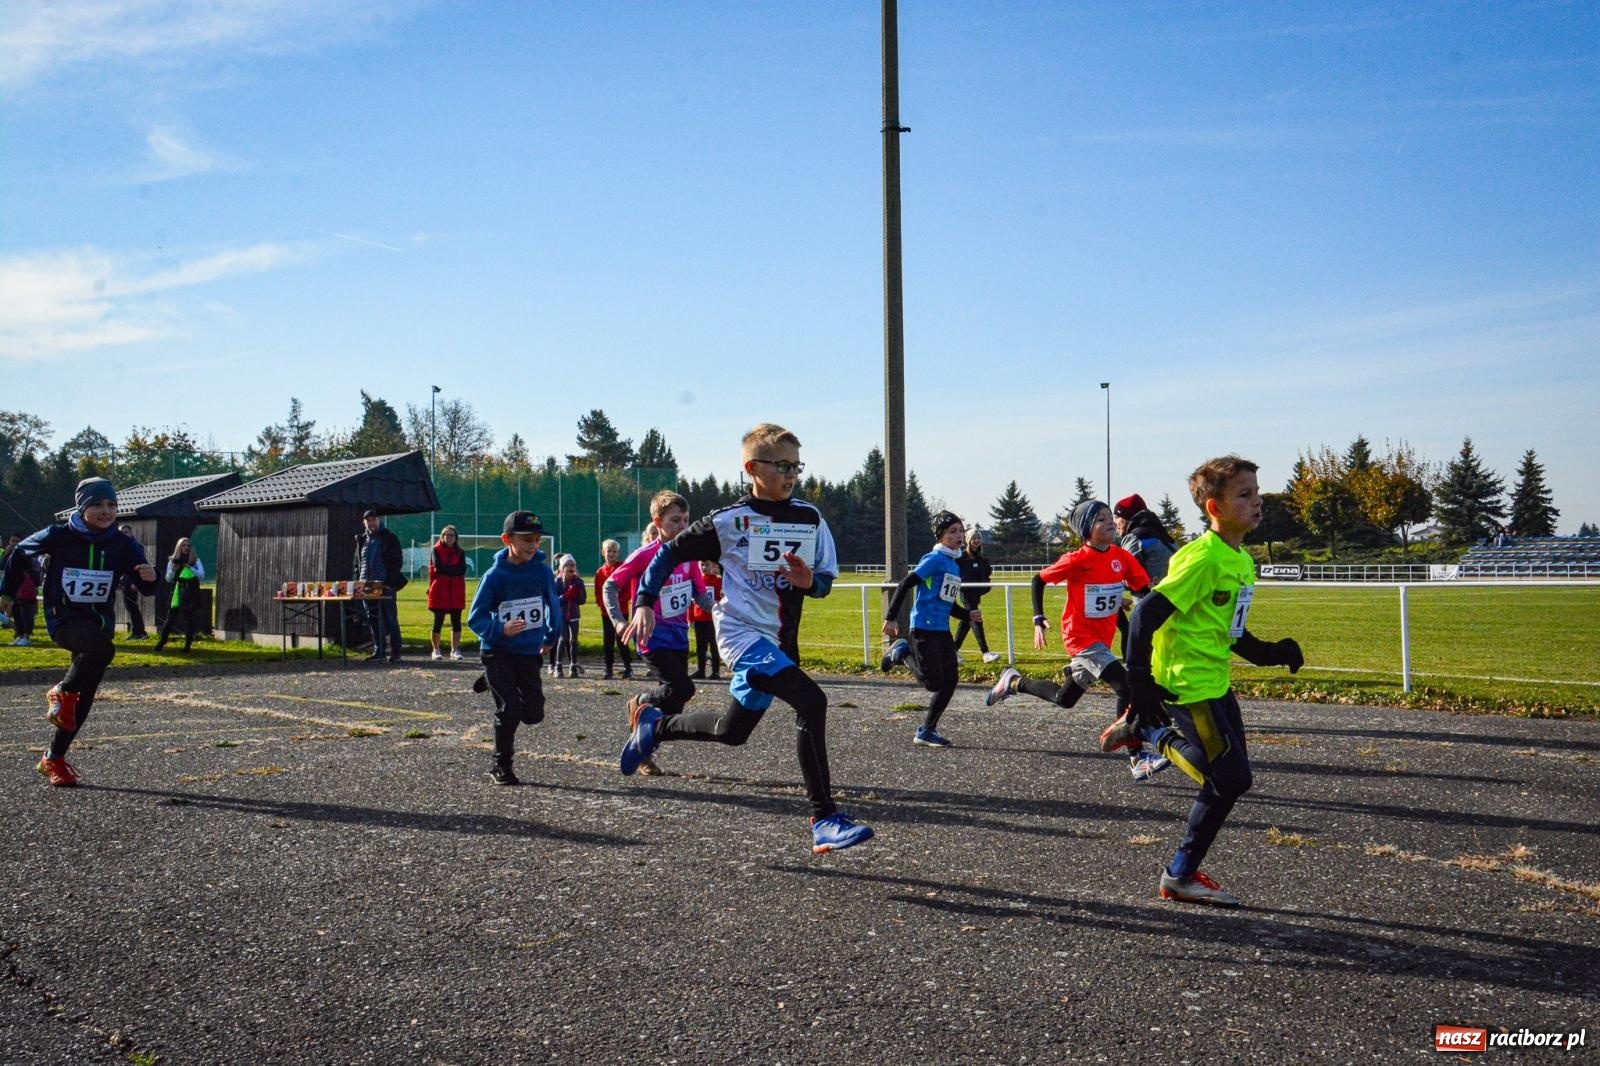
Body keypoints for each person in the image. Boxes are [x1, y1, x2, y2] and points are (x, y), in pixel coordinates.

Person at [618, 423, 873, 853]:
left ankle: (654, 726)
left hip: (779, 644)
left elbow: (825, 583)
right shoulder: (727, 522)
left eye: (796, 466)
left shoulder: (810, 518)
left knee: (731, 730)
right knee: (812, 701)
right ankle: (824, 819)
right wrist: (643, 601)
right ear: (752, 468)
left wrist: (809, 582)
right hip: (741, 637)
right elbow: (667, 553)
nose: (791, 475)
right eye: (782, 466)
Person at [1100, 456, 1305, 907]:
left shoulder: (1241, 560)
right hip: (1186, 685)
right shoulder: (1202, 558)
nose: (1258, 501)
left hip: (1216, 683)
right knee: (1230, 780)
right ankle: (1148, 731)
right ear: (1215, 507)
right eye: (1245, 494)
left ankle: (1180, 875)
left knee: (1231, 781)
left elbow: (1232, 631)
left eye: (1257, 491)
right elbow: (1144, 617)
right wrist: (1140, 686)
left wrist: (1273, 653)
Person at [984, 500, 1170, 781]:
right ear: (1086, 530)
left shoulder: (1121, 557)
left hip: (1102, 641)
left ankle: (1013, 681)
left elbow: (1143, 588)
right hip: (1081, 639)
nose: (1110, 522)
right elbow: (1038, 580)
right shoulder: (1077, 559)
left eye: (1110, 517)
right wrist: (1038, 618)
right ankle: (1137, 756)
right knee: (1126, 686)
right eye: (1101, 519)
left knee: (1065, 698)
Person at [0, 478, 157, 786]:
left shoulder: (123, 543)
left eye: (112, 505)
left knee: (81, 699)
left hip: (99, 623)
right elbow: (19, 553)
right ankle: (61, 690)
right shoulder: (58, 535)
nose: (106, 511)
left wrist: (152, 576)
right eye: (97, 505)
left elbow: (146, 586)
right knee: (100, 653)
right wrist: (7, 591)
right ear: (82, 507)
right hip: (63, 618)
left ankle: (53, 758)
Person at [601, 491, 711, 773]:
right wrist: (619, 622)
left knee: (675, 704)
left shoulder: (689, 556)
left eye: (686, 519)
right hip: (651, 637)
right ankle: (639, 703)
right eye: (675, 520)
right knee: (683, 688)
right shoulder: (645, 555)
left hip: (678, 636)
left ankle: (643, 750)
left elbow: (700, 594)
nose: (683, 526)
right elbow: (610, 586)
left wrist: (723, 608)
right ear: (658, 522)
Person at [466, 510, 563, 786]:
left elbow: (552, 604)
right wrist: (500, 629)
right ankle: (501, 765)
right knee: (509, 710)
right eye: (526, 540)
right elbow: (476, 617)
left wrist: (550, 636)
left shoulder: (541, 571)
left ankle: (491, 681)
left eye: (536, 540)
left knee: (533, 713)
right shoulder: (495, 576)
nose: (533, 546)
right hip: (497, 650)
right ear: (507, 539)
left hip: (528, 652)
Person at [880, 511, 981, 747]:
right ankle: (902, 653)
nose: (959, 535)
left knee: (951, 680)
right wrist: (891, 617)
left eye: (960, 530)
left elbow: (947, 601)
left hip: (942, 630)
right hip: (923, 628)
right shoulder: (934, 559)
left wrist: (967, 614)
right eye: (952, 532)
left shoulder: (953, 564)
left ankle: (926, 730)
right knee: (933, 683)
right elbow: (905, 583)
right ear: (940, 536)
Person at [355, 509, 405, 662]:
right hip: (366, 585)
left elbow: (397, 561)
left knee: (390, 618)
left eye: (373, 519)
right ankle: (379, 650)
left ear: (379, 520)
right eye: (368, 520)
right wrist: (358, 580)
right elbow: (358, 563)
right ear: (364, 523)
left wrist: (389, 582)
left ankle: (396, 652)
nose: (371, 523)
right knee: (372, 618)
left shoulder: (389, 538)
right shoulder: (362, 540)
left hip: (385, 585)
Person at [953, 528, 1000, 663]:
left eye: (978, 538)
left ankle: (952, 651)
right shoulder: (960, 558)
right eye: (974, 538)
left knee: (966, 621)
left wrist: (985, 586)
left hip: (976, 594)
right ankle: (985, 652)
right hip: (966, 593)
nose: (976, 540)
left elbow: (986, 574)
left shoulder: (981, 559)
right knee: (975, 617)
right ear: (968, 540)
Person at [153, 538, 205, 652]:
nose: (186, 548)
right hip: (176, 592)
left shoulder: (195, 560)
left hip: (190, 592)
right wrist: (173, 570)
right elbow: (168, 579)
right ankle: (162, 641)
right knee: (170, 619)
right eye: (183, 545)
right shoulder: (173, 560)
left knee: (188, 619)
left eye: (188, 546)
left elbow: (201, 576)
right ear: (179, 547)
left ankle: (187, 646)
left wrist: (190, 567)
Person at [594, 539, 635, 680]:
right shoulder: (600, 572)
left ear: (618, 553)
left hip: (621, 611)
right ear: (603, 552)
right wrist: (604, 605)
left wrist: (617, 604)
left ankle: (628, 667)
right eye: (608, 551)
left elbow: (628, 589)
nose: (611, 554)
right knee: (608, 640)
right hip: (606, 613)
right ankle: (608, 668)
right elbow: (598, 592)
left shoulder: (622, 568)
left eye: (614, 551)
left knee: (622, 639)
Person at [428, 525, 468, 661]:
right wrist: (453, 571)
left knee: (456, 621)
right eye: (447, 535)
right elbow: (439, 567)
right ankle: (436, 650)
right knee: (438, 620)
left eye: (452, 535)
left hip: (456, 589)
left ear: (456, 538)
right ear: (442, 536)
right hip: (440, 589)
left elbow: (462, 568)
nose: (449, 537)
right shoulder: (436, 550)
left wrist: (449, 571)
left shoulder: (460, 552)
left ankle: (455, 650)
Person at [552, 554, 587, 676]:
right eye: (568, 565)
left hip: (574, 614)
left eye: (573, 565)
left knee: (574, 640)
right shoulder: (557, 582)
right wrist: (566, 595)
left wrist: (577, 593)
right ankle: (558, 666)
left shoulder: (579, 582)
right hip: (562, 615)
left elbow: (583, 600)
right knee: (563, 639)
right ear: (562, 568)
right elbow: (555, 601)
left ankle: (573, 665)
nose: (571, 567)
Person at [690, 559, 723, 680]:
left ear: (714, 567)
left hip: (713, 619)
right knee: (701, 647)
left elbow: (722, 599)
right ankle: (701, 670)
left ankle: (715, 671)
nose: (704, 568)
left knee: (714, 646)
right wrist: (690, 617)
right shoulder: (696, 581)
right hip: (699, 619)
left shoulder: (718, 582)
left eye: (707, 565)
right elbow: (691, 601)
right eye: (702, 565)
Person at [119, 524, 149, 639]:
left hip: (131, 581)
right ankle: (138, 631)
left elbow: (141, 565)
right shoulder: (119, 546)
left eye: (127, 532)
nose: (124, 534)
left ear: (131, 533)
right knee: (130, 607)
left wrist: (136, 583)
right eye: (122, 532)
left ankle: (139, 632)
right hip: (124, 580)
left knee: (132, 607)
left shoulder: (136, 546)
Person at [9, 547, 40, 646]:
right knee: (17, 617)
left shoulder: (31, 572)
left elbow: (36, 583)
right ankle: (20, 636)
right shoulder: (15, 571)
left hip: (27, 598)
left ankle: (26, 637)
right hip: (17, 596)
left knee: (26, 618)